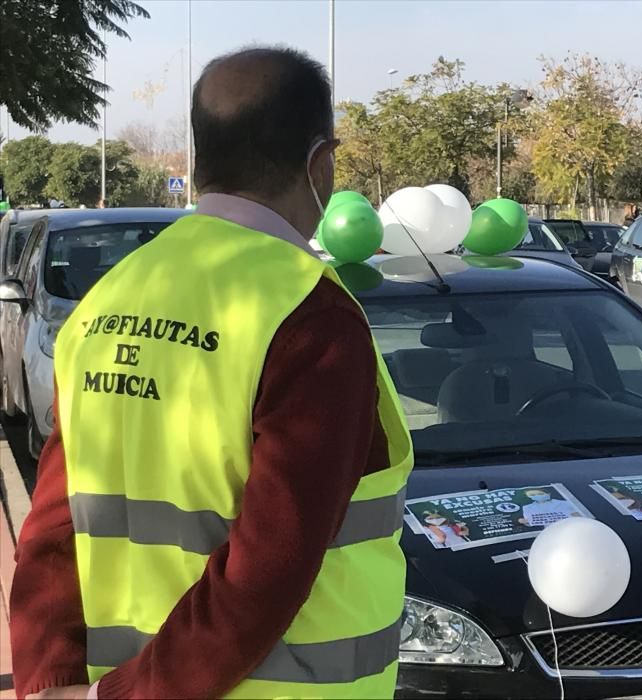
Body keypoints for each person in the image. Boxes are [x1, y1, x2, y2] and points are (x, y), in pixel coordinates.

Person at [11, 46, 413, 700]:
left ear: (202, 159)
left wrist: (49, 681)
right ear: (322, 162)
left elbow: (53, 532)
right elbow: (264, 574)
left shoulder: (108, 302)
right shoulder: (309, 316)